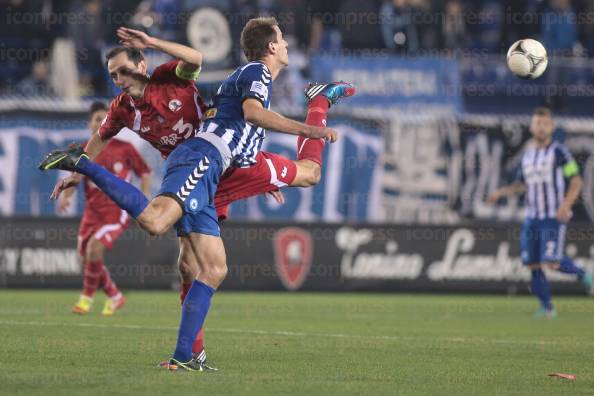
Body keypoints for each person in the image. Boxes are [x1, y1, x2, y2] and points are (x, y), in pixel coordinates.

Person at [39, 17, 339, 371]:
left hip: (216, 164)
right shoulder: (123, 106)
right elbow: (103, 137)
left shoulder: (169, 76)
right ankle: (83, 167)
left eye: (123, 70)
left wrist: (151, 40)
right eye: (113, 74)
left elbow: (196, 59)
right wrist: (82, 165)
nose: (118, 79)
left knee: (208, 266)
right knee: (160, 228)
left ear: (142, 65)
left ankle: (187, 356)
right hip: (200, 160)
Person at [488, 107, 592, 318]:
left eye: (545, 124)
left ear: (551, 127)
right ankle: (547, 308)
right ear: (532, 127)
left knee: (552, 262)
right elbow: (521, 185)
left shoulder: (559, 152)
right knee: (534, 264)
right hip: (532, 218)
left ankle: (584, 276)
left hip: (553, 217)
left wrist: (566, 204)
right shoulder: (528, 156)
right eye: (537, 123)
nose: (541, 127)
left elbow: (576, 180)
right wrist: (501, 192)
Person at [59, 101, 151, 316]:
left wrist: (143, 201)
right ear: (89, 123)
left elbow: (145, 173)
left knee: (94, 249)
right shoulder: (84, 150)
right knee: (86, 259)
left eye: (105, 119)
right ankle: (115, 295)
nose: (101, 123)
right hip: (92, 212)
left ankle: (86, 298)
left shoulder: (125, 149)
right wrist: (67, 197)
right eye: (97, 119)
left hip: (115, 211)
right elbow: (75, 177)